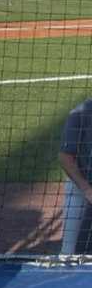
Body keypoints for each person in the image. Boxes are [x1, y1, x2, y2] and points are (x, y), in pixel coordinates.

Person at [59, 98, 92, 254]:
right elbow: (65, 156)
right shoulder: (79, 113)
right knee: (69, 251)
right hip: (80, 185)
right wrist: (85, 188)